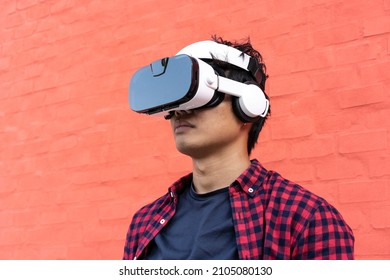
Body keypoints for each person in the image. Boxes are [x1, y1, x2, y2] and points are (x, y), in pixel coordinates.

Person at [123, 35, 354, 260]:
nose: (181, 111)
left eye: (198, 94)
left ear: (248, 105)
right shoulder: (145, 223)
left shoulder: (307, 219)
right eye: (176, 99)